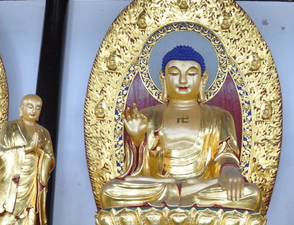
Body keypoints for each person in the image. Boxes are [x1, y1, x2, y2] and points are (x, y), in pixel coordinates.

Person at [99, 45, 262, 212]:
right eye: (174, 73)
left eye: (191, 74)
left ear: (203, 78)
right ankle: (179, 194)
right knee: (110, 191)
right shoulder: (147, 116)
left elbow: (225, 155)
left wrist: (230, 170)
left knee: (251, 194)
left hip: (201, 186)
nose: (183, 81)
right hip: (160, 186)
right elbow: (140, 173)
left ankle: (179, 196)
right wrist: (138, 139)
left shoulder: (220, 116)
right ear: (163, 78)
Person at [0, 94, 55, 225]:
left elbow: (50, 159)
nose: (33, 111)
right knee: (10, 203)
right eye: (30, 106)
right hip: (13, 175)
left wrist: (39, 152)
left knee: (31, 207)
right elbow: (1, 154)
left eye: (38, 108)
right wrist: (26, 149)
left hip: (34, 176)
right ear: (21, 108)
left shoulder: (44, 132)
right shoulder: (10, 126)